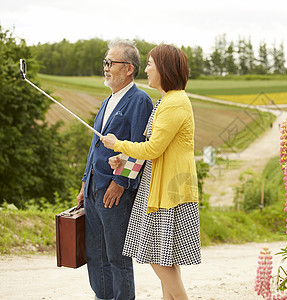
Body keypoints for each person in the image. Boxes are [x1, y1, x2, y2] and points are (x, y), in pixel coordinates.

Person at [101, 44, 201, 300]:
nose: (146, 69)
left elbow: (154, 148)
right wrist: (123, 161)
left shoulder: (174, 102)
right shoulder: (168, 101)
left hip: (168, 191)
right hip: (163, 187)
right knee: (165, 258)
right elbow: (156, 150)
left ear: (164, 69)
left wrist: (118, 144)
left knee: (156, 257)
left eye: (150, 65)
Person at [77, 39, 153, 300]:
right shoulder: (108, 100)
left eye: (111, 62)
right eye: (105, 62)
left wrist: (120, 182)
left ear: (129, 68)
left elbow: (140, 148)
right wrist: (84, 182)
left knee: (117, 256)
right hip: (93, 189)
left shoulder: (139, 101)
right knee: (95, 253)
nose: (106, 68)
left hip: (115, 192)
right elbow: (94, 147)